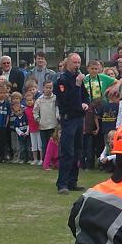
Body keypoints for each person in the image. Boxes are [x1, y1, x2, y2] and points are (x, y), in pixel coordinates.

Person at [54, 53, 89, 195]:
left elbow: (85, 95)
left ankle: (72, 181)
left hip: (79, 118)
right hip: (69, 119)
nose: (77, 65)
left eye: (79, 62)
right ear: (67, 63)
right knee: (67, 152)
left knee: (77, 151)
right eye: (74, 62)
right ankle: (62, 183)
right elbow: (66, 100)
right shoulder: (62, 80)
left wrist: (85, 103)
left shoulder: (78, 77)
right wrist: (77, 85)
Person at [33, 80, 59, 158]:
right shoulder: (39, 100)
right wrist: (38, 119)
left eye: (50, 88)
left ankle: (54, 159)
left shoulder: (55, 98)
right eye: (47, 87)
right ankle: (45, 160)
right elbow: (35, 111)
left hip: (53, 125)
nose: (48, 89)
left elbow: (58, 109)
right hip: (43, 126)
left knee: (53, 144)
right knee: (44, 145)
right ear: (43, 88)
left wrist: (58, 119)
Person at [24, 91, 42, 165]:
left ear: (34, 100)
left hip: (38, 128)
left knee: (40, 145)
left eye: (31, 100)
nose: (29, 102)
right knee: (33, 145)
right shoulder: (25, 110)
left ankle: (41, 159)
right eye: (27, 100)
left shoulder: (36, 108)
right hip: (31, 129)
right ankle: (35, 159)